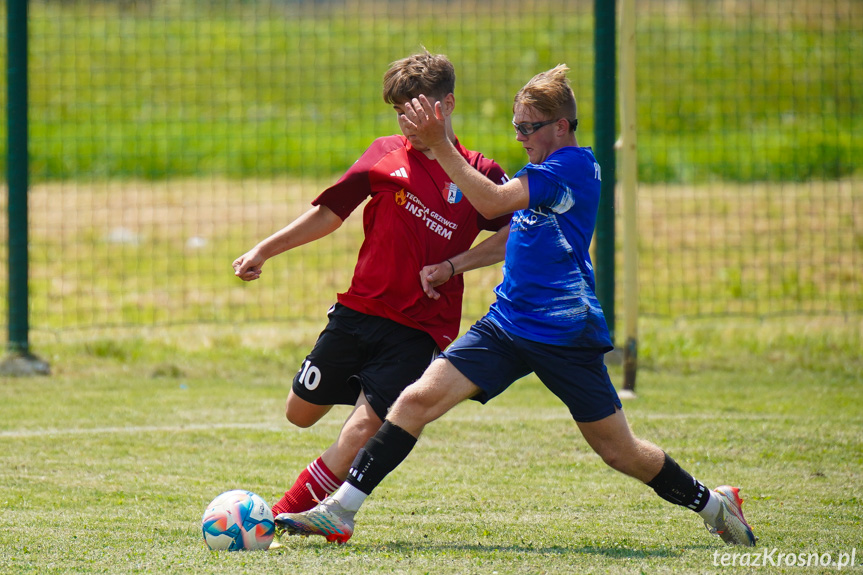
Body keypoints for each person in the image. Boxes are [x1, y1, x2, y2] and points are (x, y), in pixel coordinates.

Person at [274, 65, 757, 548]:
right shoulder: (541, 171)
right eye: (517, 127)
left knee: (619, 451)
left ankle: (714, 504)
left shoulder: (570, 168)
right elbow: (516, 232)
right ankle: (341, 510)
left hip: (564, 333)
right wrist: (455, 265)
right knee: (416, 400)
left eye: (530, 127)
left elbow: (491, 203)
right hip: (506, 324)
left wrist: (439, 142)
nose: (522, 136)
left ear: (561, 126)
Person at [232, 50, 511, 518]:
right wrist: (264, 249)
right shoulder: (384, 155)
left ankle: (280, 518)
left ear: (448, 105)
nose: (408, 121)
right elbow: (329, 213)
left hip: (420, 327)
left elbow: (520, 231)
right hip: (358, 313)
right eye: (400, 111)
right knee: (298, 413)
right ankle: (373, 391)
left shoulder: (479, 174)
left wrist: (456, 265)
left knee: (360, 431)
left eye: (418, 110)